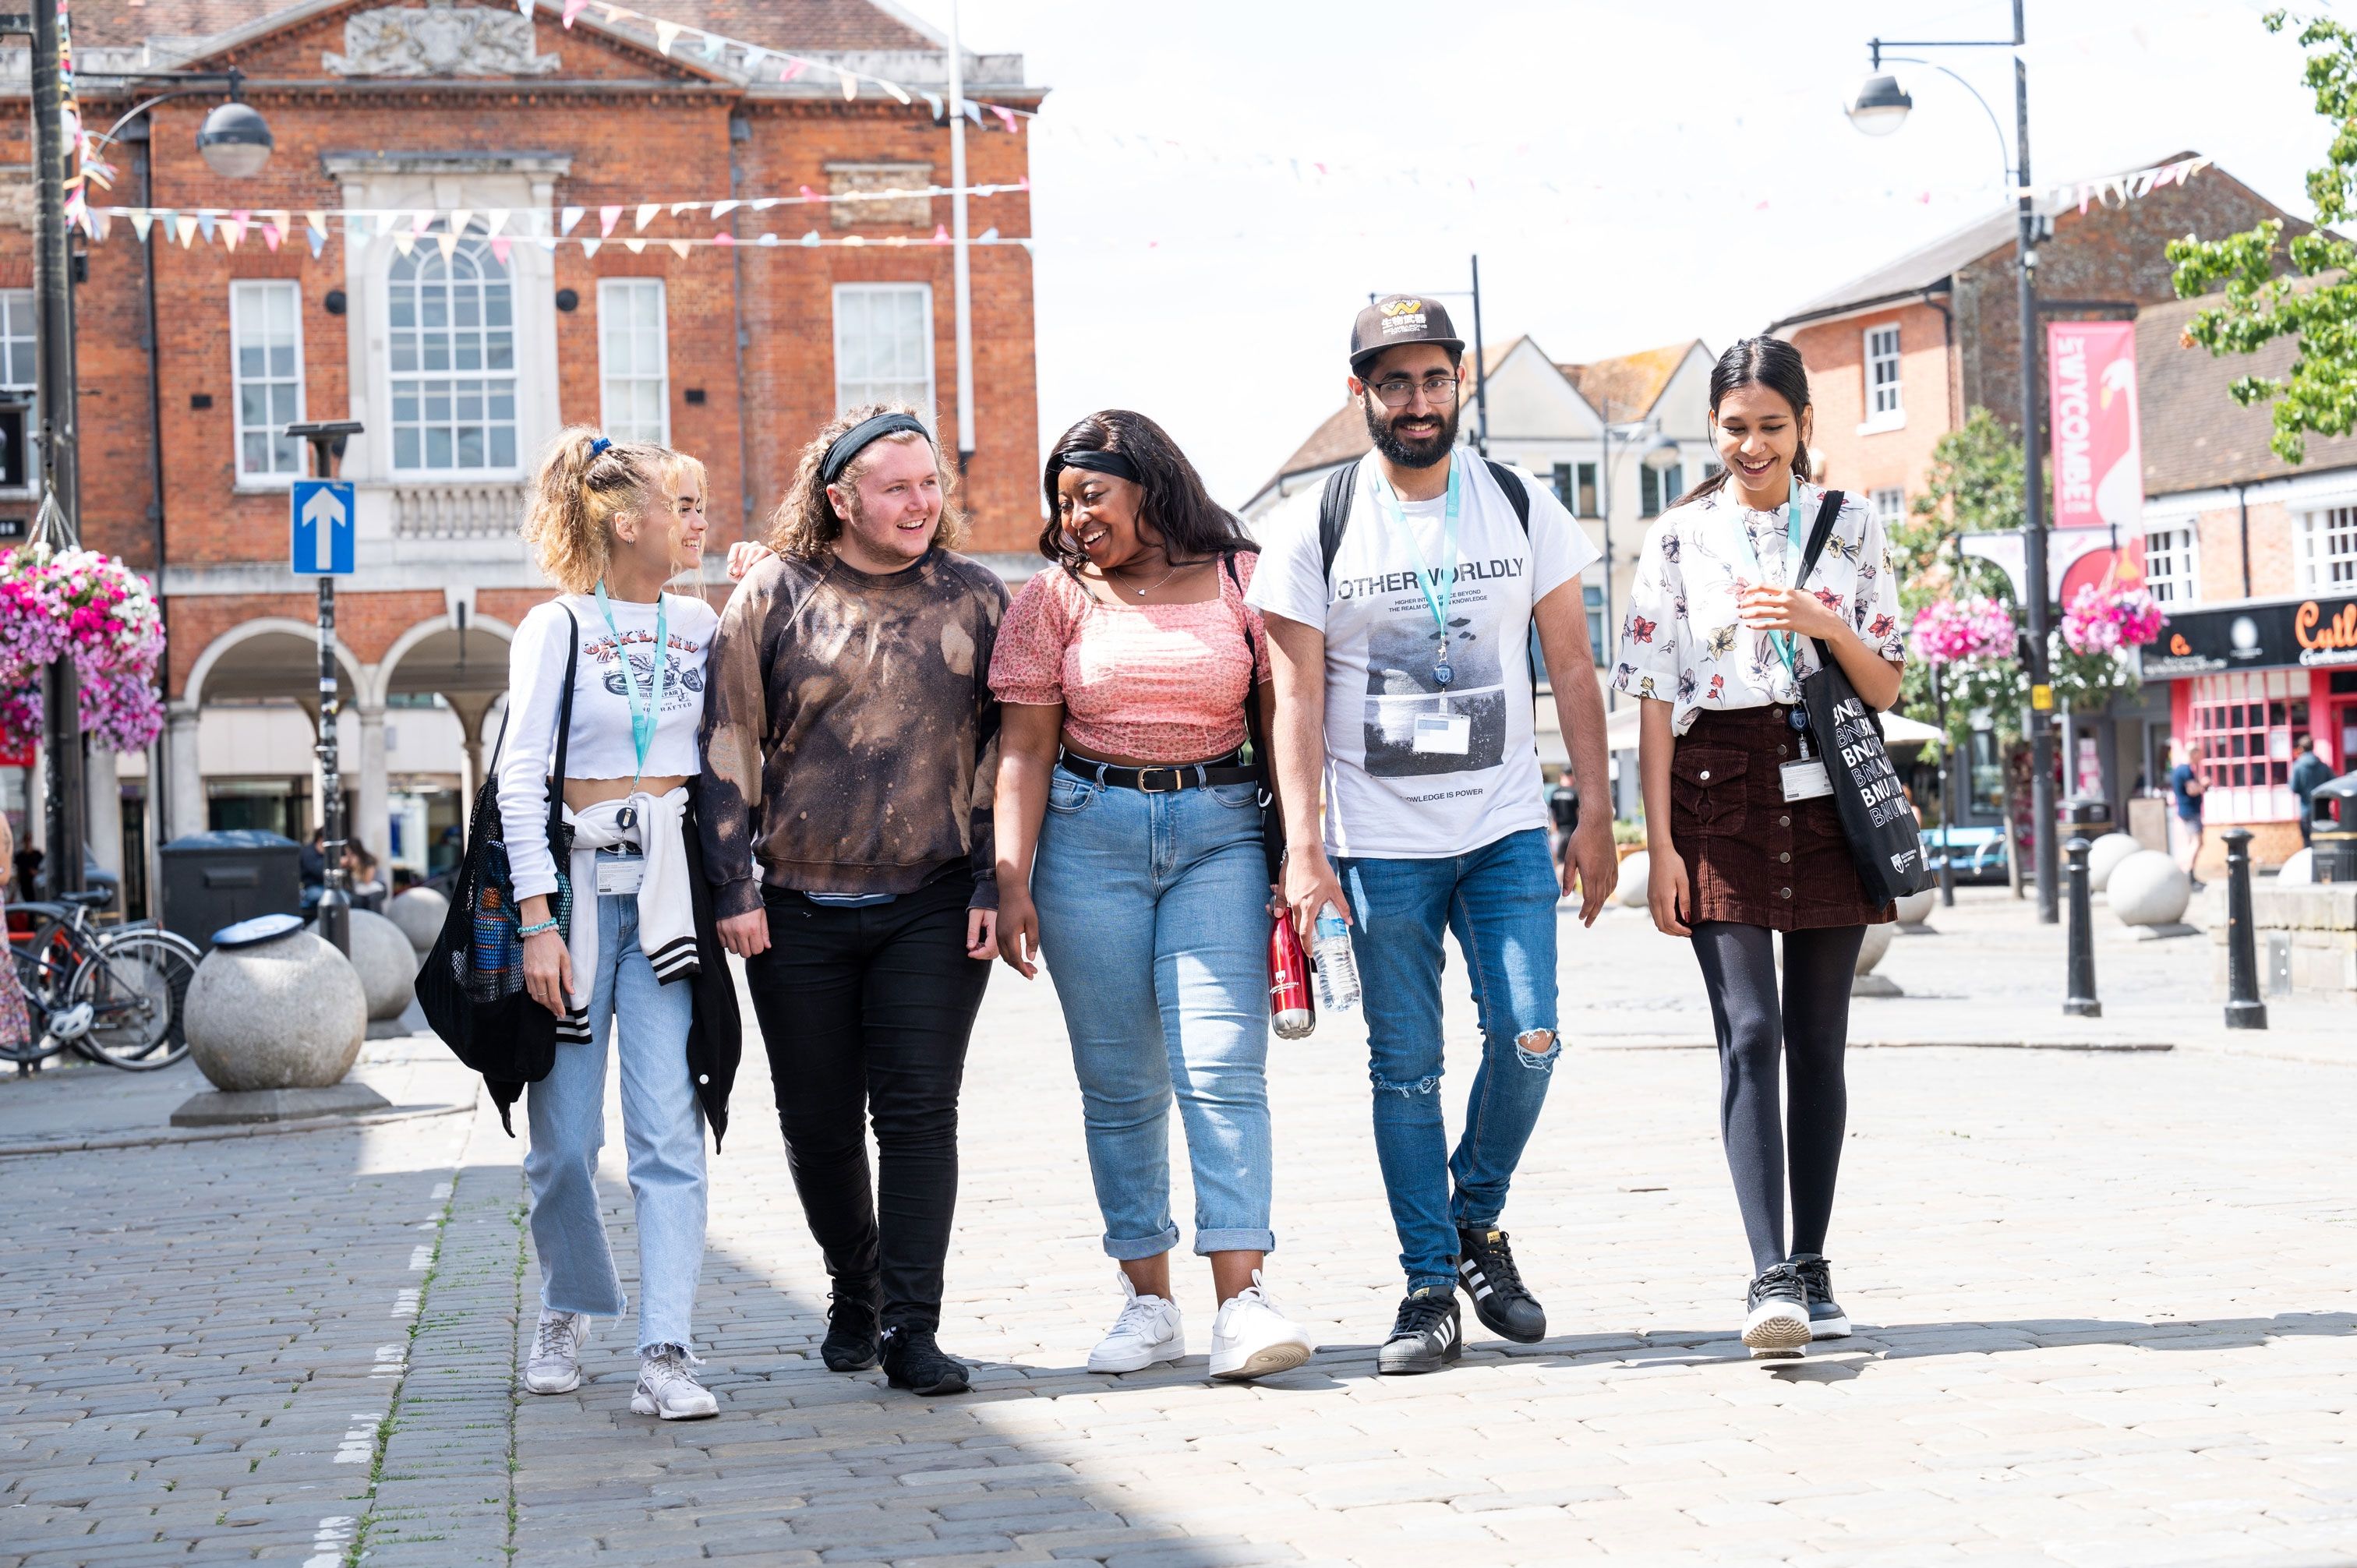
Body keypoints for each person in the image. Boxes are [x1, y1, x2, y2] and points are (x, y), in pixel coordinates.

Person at [1249, 295, 1616, 1375]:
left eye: (1434, 379)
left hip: (1504, 829)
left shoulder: (1520, 503)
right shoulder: (1313, 525)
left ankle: (1475, 1222)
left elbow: (1574, 668)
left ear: (1461, 384)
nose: (1418, 401)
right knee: (1404, 1066)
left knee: (1532, 1033)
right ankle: (1426, 1288)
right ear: (1359, 392)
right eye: (1394, 382)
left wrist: (1593, 814)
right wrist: (1305, 846)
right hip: (1379, 842)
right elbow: (1296, 700)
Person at [990, 410, 1316, 1383]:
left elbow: (1287, 712)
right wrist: (1011, 878)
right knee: (1122, 1084)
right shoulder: (1052, 599)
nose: (1076, 516)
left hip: (1217, 832)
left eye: (1092, 493)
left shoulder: (1239, 575)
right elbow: (1024, 748)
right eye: (1063, 501)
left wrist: (1305, 848)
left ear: (1148, 482)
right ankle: (1147, 1302)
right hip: (1088, 839)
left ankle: (1242, 1301)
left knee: (1222, 1064)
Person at [700, 404, 1006, 1399]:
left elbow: (1012, 754)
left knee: (919, 1114)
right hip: (792, 905)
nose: (920, 503)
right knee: (818, 1123)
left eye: (929, 485)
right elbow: (727, 746)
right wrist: (735, 886)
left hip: (933, 896)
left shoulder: (976, 597)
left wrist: (997, 878)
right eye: (896, 487)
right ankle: (854, 1286)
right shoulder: (774, 593)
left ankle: (914, 1326)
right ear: (839, 499)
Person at [1616, 337, 1906, 1360]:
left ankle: (1815, 1260)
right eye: (1734, 428)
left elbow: (1886, 687)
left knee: (1819, 1039)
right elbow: (1651, 695)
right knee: (1749, 1032)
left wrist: (1824, 620)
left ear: (1803, 426)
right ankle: (1766, 1271)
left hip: (1826, 786)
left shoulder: (1853, 525)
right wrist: (1658, 844)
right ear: (1715, 429)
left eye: (1770, 427)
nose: (1751, 445)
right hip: (1717, 786)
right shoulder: (1678, 537)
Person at [499, 428, 739, 1421]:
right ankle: (567, 1301)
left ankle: (666, 1349)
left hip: (669, 898)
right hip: (577, 895)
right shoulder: (554, 625)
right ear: (623, 519)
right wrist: (536, 919)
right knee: (562, 1144)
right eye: (676, 504)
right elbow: (519, 775)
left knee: (667, 1134)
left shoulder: (701, 621)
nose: (695, 521)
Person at [2171, 742, 2207, 883]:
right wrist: (2203, 784)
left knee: (2191, 842)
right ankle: (2188, 874)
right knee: (2197, 842)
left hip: (2185, 810)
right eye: (2199, 755)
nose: (2200, 758)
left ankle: (2188, 873)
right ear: (2193, 754)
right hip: (2190, 811)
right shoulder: (2186, 770)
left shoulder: (2179, 769)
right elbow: (2192, 790)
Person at [2292, 735, 2334, 847]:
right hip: (2323, 810)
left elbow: (2294, 788)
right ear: (2312, 747)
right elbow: (2333, 784)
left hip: (2306, 810)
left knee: (2308, 844)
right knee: (2324, 844)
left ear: (2301, 748)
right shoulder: (2323, 766)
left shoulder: (2298, 767)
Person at [1546, 768, 1579, 873]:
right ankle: (1573, 888)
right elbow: (1579, 814)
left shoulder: (1555, 793)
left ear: (1561, 776)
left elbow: (1552, 814)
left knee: (1560, 862)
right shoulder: (1574, 793)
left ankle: (1561, 887)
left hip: (1559, 833)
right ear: (1571, 777)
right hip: (1573, 832)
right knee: (1575, 862)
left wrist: (1554, 831)